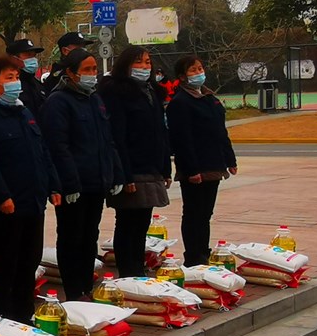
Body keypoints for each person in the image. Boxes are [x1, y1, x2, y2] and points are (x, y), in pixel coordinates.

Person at [0, 56, 60, 322]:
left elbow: (42, 152)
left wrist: (53, 184)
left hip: (33, 199)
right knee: (6, 259)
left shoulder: (24, 112)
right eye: (8, 78)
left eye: (16, 77)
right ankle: (2, 313)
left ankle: (24, 312)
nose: (15, 83)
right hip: (7, 204)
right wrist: (2, 196)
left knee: (29, 259)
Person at [42, 47, 121, 302]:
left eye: (94, 69)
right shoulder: (58, 102)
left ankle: (86, 286)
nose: (92, 74)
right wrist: (69, 183)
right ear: (71, 73)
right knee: (71, 237)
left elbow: (107, 140)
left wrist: (115, 173)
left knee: (90, 236)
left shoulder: (94, 99)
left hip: (96, 182)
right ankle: (74, 291)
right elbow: (58, 146)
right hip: (74, 185)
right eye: (86, 69)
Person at [99, 44, 174, 279]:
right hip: (130, 168)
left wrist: (165, 168)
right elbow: (118, 135)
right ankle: (127, 271)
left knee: (142, 223)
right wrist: (124, 175)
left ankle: (137, 268)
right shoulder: (116, 92)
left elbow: (161, 132)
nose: (144, 67)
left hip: (151, 167)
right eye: (138, 62)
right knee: (127, 222)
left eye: (147, 62)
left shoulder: (152, 91)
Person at [165, 54, 238, 267]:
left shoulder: (209, 98)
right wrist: (191, 169)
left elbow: (221, 132)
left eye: (200, 68)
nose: (198, 73)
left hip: (213, 163)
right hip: (195, 168)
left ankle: (203, 252)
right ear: (182, 76)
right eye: (193, 70)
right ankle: (193, 256)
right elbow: (182, 139)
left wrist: (230, 159)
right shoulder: (180, 102)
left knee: (206, 213)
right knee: (193, 213)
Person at [38, 31, 92, 97]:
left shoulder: (87, 68)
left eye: (84, 47)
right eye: (79, 48)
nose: (83, 51)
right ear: (65, 51)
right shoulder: (59, 78)